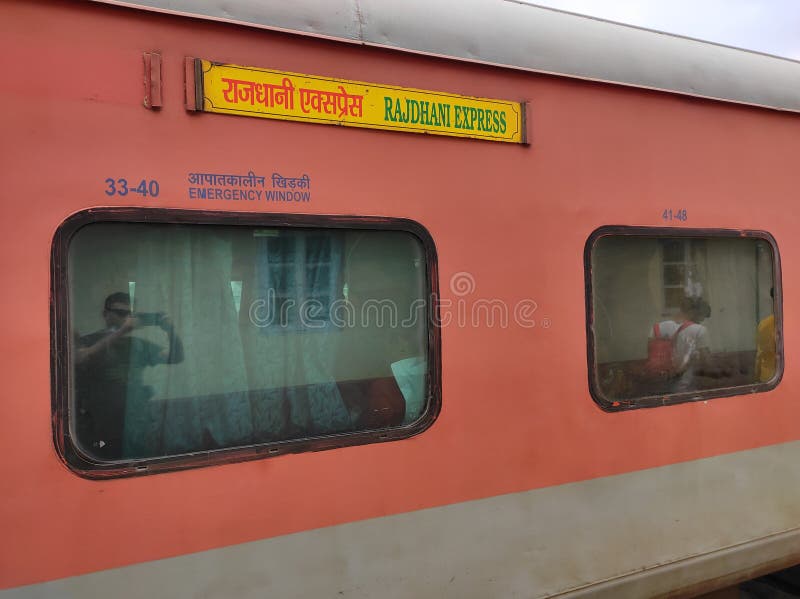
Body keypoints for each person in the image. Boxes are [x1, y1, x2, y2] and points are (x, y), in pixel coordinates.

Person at [73, 292, 184, 459]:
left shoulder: (136, 345)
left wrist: (171, 331)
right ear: (105, 314)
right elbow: (79, 358)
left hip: (135, 422)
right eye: (120, 313)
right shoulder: (89, 341)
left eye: (129, 314)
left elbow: (176, 357)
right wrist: (122, 331)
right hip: (98, 423)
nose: (125, 318)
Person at [648, 296, 711, 393]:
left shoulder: (658, 327)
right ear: (695, 313)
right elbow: (707, 361)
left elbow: (651, 353)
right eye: (703, 316)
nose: (703, 320)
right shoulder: (699, 330)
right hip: (684, 388)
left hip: (658, 384)